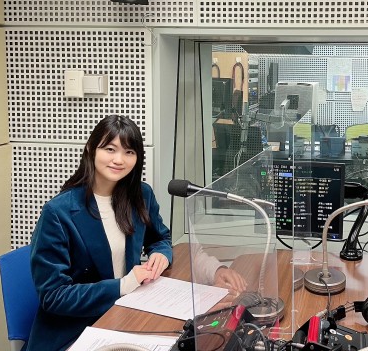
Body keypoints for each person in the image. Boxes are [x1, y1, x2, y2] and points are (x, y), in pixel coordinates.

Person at [26, 115, 246, 351]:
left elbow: (160, 238)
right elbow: (54, 296)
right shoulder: (58, 212)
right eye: (110, 149)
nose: (119, 160)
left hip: (126, 313)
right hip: (75, 332)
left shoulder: (140, 195)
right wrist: (124, 285)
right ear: (91, 149)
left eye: (129, 152)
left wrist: (161, 254)